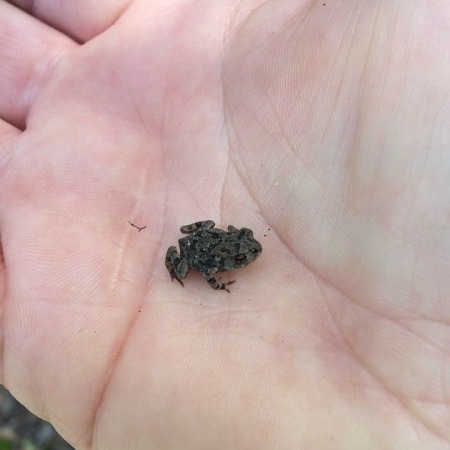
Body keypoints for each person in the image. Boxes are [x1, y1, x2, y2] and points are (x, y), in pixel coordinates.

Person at [0, 1, 448, 448]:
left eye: (246, 249)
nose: (249, 253)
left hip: (200, 238)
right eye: (245, 252)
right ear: (234, 250)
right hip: (193, 249)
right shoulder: (213, 265)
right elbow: (209, 274)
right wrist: (211, 282)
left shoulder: (227, 245)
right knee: (181, 256)